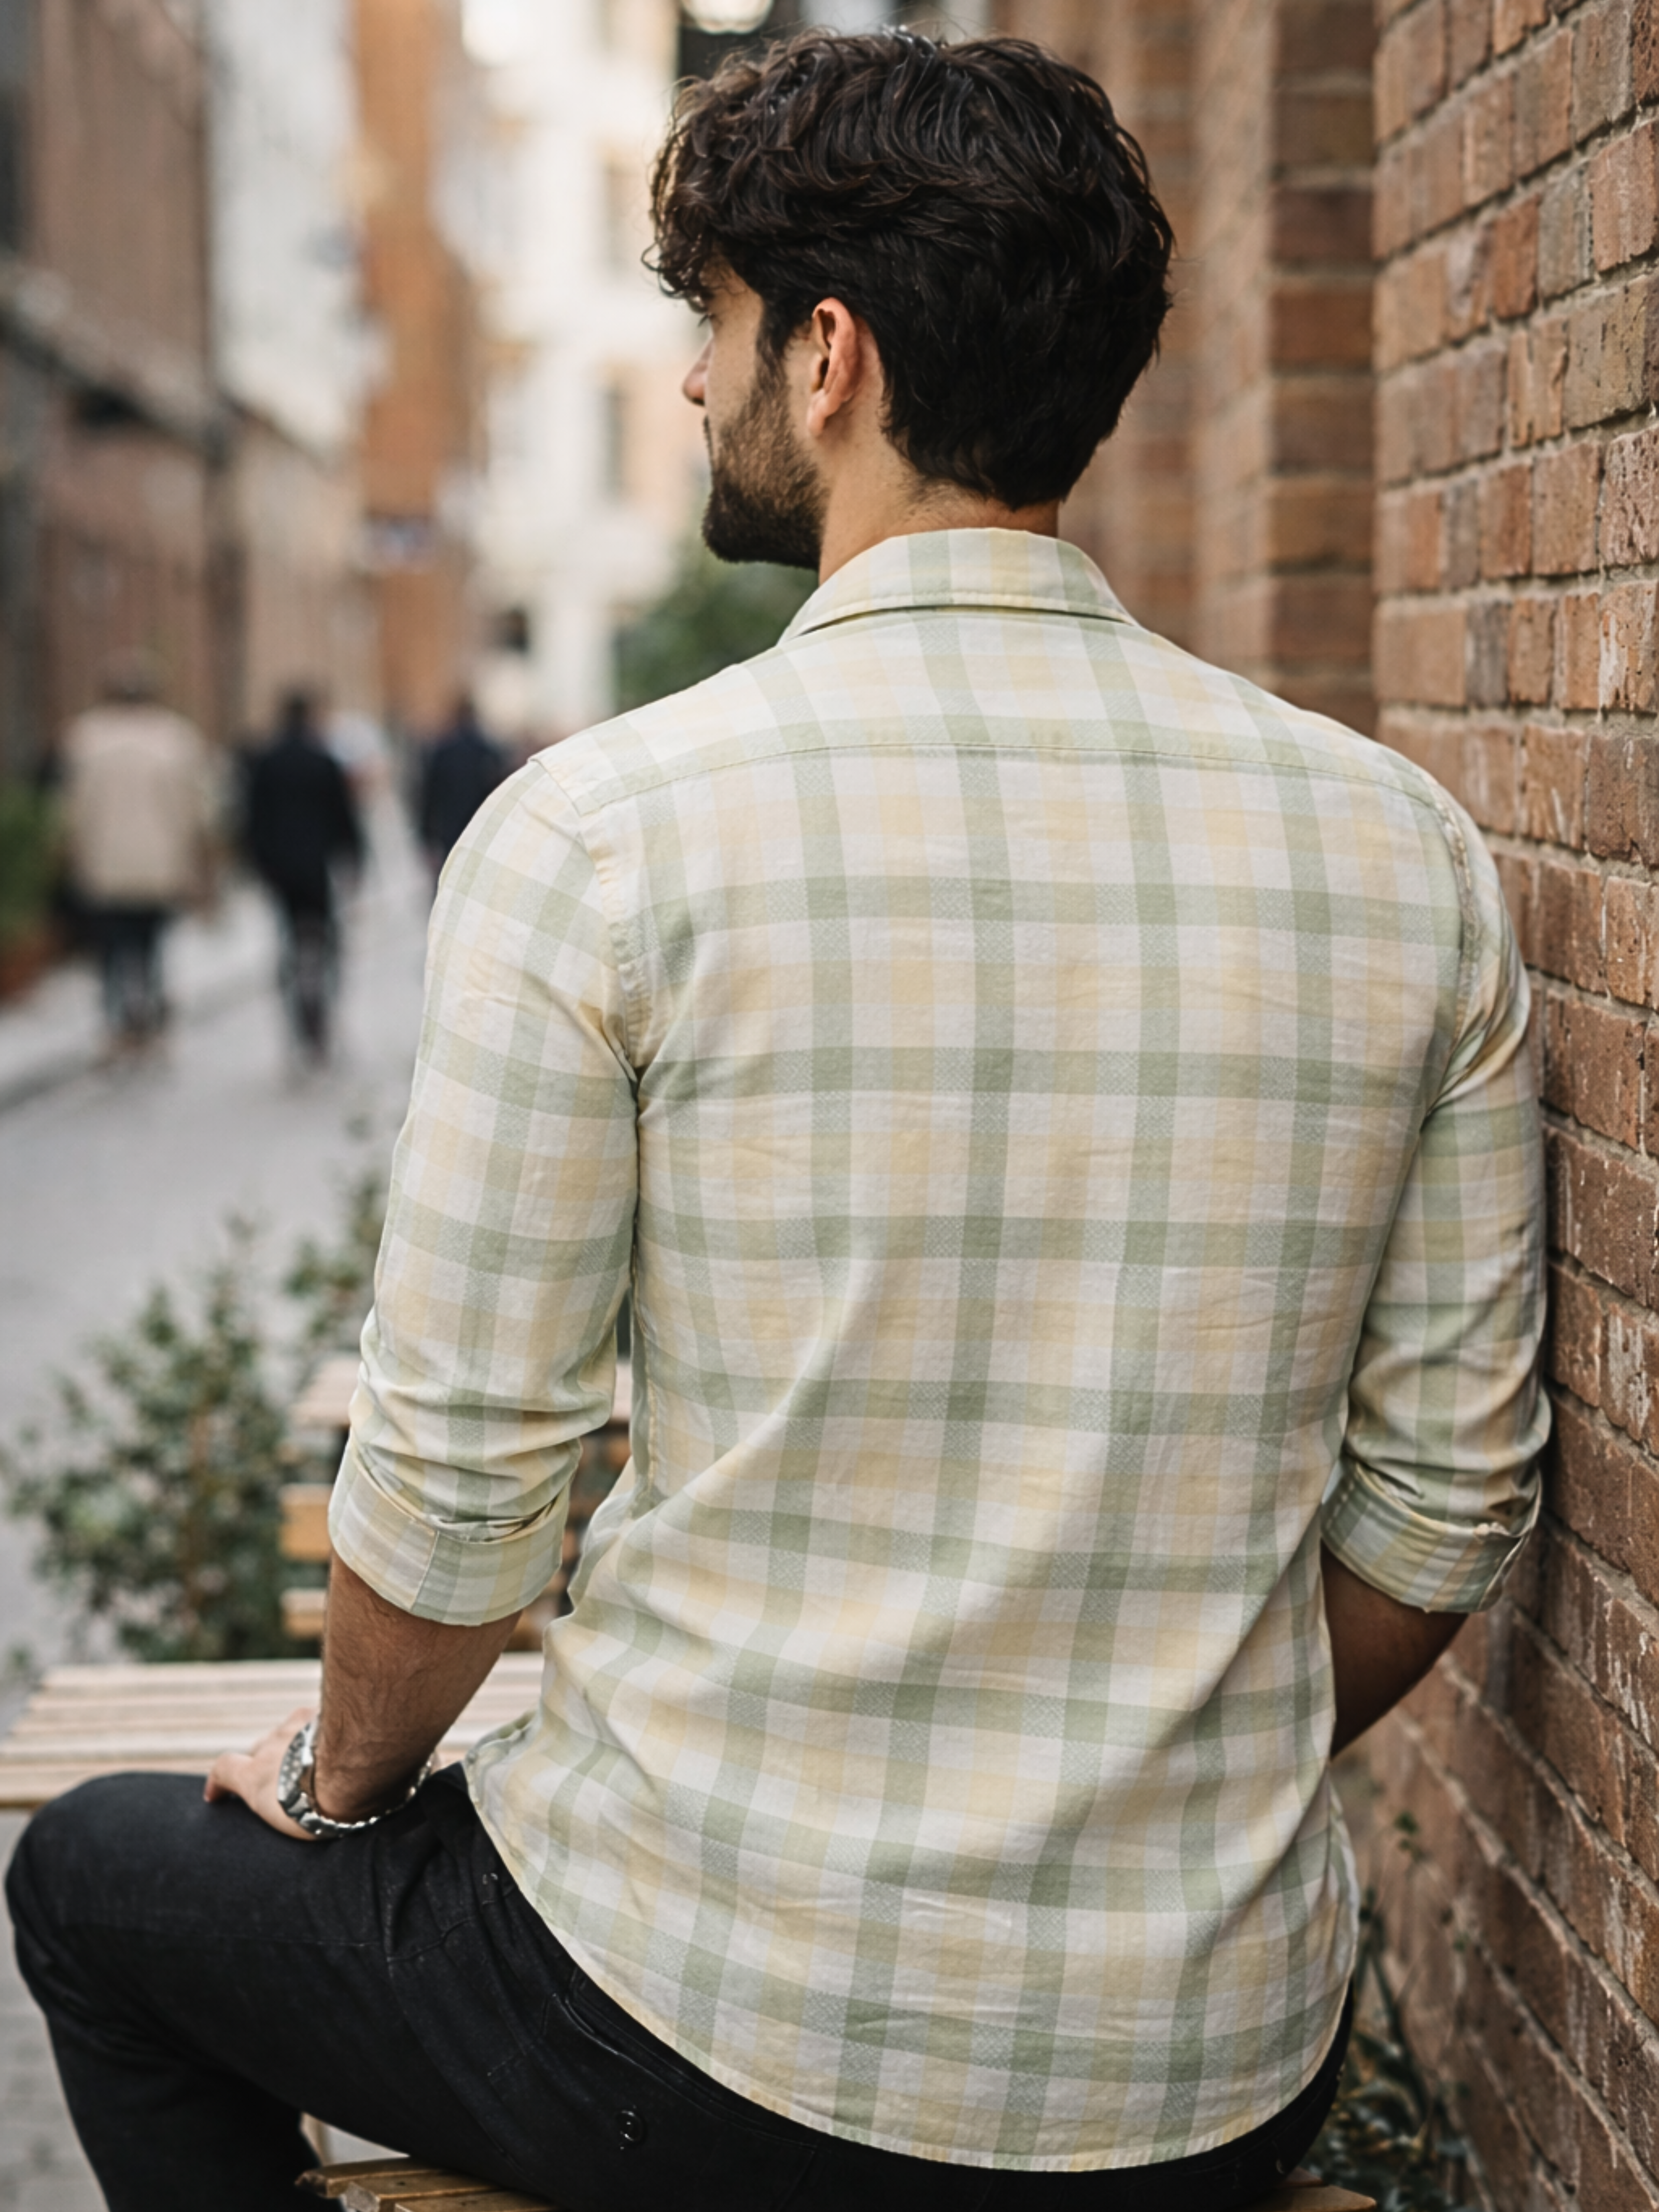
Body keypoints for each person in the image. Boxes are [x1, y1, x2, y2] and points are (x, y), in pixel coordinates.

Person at [10, 31, 1547, 2212]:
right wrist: (1124, 1795)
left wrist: (342, 1782)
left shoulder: (612, 837)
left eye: (709, 327)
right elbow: (1445, 1508)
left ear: (828, 357)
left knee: (101, 1882)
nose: (692, 386)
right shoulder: (1403, 851)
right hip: (1209, 2076)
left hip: (714, 2037)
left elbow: (457, 1492)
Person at [60, 653, 216, 1054]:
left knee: (111, 948)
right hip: (159, 864)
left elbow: (73, 810)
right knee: (152, 945)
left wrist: (74, 854)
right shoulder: (175, 737)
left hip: (106, 864)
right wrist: (200, 862)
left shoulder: (86, 738)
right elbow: (196, 809)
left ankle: (116, 1025)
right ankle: (151, 1020)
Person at [243, 687, 364, 1063]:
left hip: (281, 871)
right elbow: (344, 818)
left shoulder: (265, 761)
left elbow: (252, 819)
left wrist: (259, 864)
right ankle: (322, 1018)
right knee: (325, 942)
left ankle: (297, 1017)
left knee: (289, 941)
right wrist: (354, 862)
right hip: (316, 869)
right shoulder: (323, 760)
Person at [417, 693, 508, 883]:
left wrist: (426, 832)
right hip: (479, 825)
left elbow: (429, 794)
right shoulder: (486, 750)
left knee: (451, 875)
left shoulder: (442, 751)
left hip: (449, 826)